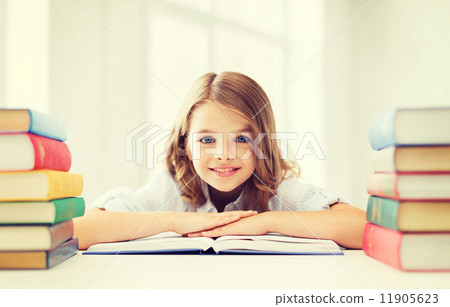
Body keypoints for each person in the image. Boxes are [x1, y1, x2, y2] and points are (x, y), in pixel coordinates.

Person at [74, 71, 366, 250]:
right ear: (186, 144)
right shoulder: (172, 188)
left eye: (242, 139)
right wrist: (175, 221)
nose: (224, 154)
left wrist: (265, 223)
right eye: (207, 140)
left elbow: (362, 227)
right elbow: (78, 229)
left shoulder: (278, 188)